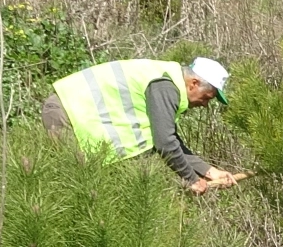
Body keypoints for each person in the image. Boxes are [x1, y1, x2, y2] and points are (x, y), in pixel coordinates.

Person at [44, 57, 240, 193]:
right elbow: (164, 142)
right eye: (207, 98)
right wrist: (192, 179)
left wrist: (209, 172)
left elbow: (170, 140)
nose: (205, 105)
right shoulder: (166, 86)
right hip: (67, 114)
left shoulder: (167, 80)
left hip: (72, 115)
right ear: (194, 83)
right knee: (67, 189)